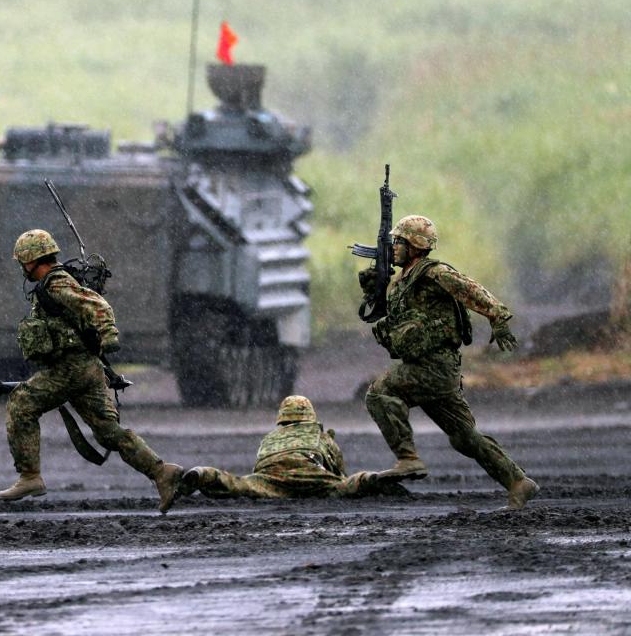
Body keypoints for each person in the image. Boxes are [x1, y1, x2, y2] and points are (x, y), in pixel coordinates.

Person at [359, 214, 538, 509]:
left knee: (380, 392)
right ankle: (518, 481)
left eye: (399, 242)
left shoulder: (434, 273)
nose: (393, 247)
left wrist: (498, 317)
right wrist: (373, 291)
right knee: (464, 437)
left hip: (432, 367)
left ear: (414, 246)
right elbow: (393, 321)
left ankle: (408, 459)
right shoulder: (403, 282)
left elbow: (471, 290)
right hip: (434, 369)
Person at [0, 229, 184, 513]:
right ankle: (162, 473)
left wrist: (109, 334)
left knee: (21, 404)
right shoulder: (56, 282)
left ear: (32, 260)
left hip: (71, 368)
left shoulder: (56, 283)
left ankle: (30, 476)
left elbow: (96, 304)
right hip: (87, 369)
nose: (22, 269)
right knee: (108, 431)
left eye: (23, 262)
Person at [179, 395, 406, 500]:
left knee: (239, 485)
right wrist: (344, 481)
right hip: (310, 475)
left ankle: (205, 474)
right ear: (310, 416)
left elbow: (259, 463)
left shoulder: (270, 437)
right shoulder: (320, 435)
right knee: (344, 487)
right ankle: (371, 479)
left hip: (271, 476)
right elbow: (337, 469)